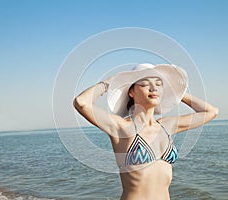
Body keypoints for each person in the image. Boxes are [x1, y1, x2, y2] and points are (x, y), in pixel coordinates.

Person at [73, 63, 219, 200]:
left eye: (158, 84)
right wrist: (107, 84)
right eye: (144, 84)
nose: (153, 88)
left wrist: (177, 93)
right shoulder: (121, 127)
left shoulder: (167, 126)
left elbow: (211, 111)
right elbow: (81, 102)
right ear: (131, 91)